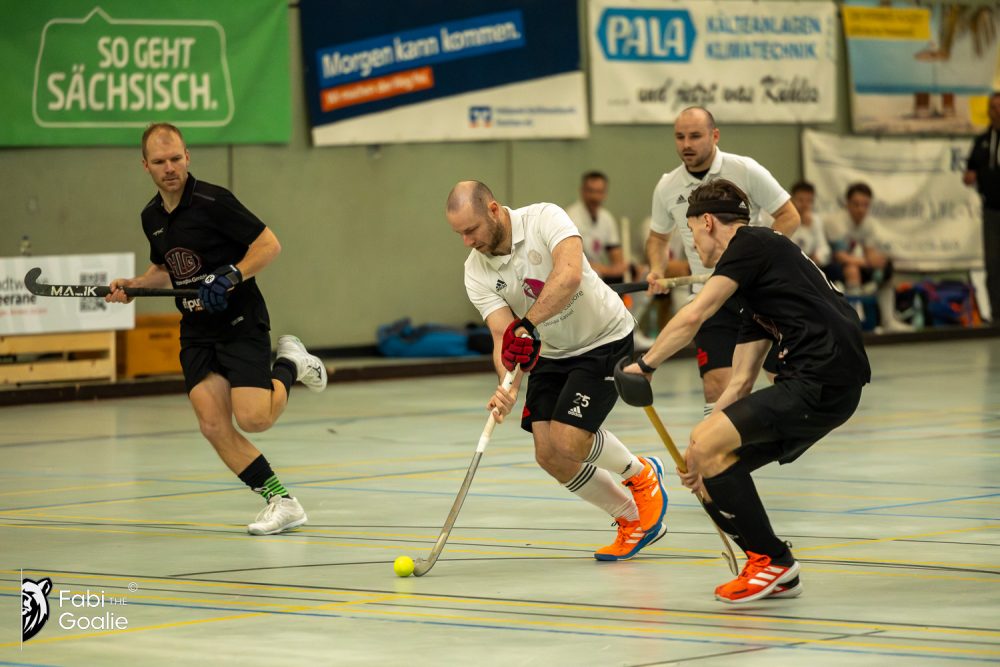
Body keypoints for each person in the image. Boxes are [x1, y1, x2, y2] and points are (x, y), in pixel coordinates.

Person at [620, 179, 870, 603]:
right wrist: (699, 452)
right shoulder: (757, 279)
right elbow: (740, 382)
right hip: (826, 385)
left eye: (692, 232)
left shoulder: (751, 243)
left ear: (707, 222)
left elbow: (695, 314)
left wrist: (645, 365)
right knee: (705, 460)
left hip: (821, 377)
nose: (692, 244)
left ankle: (774, 562)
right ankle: (770, 565)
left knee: (707, 446)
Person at [106, 123, 328, 535]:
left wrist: (232, 274)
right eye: (160, 161)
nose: (170, 168)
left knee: (255, 419)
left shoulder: (214, 201)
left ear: (187, 157)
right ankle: (282, 501)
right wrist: (134, 285)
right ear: (145, 166)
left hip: (240, 321)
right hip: (196, 330)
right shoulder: (151, 217)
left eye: (176, 159)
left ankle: (291, 364)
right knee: (212, 424)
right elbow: (165, 269)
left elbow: (269, 245)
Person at [445, 180, 667, 561]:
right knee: (549, 453)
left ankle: (640, 472)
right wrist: (507, 386)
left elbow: (569, 277)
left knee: (569, 439)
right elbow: (503, 335)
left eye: (471, 230)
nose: (467, 241)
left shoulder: (546, 218)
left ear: (493, 210)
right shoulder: (475, 271)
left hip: (604, 338)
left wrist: (527, 326)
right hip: (554, 350)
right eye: (459, 234)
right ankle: (631, 518)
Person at [646, 107, 801, 417]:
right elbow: (658, 238)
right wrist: (656, 269)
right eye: (680, 137)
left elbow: (789, 216)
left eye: (695, 136)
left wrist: (755, 258)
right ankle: (724, 448)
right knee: (718, 388)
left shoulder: (746, 170)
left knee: (783, 381)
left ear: (715, 135)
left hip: (757, 293)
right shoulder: (667, 186)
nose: (686, 144)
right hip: (711, 299)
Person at [825, 182, 912, 332]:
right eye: (856, 204)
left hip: (855, 263)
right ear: (847, 203)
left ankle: (888, 321)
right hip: (831, 267)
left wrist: (879, 262)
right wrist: (868, 262)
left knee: (886, 268)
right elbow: (840, 256)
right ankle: (854, 322)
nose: (861, 209)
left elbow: (870, 253)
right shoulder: (836, 222)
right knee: (852, 269)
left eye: (865, 205)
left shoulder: (868, 224)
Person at [963, 91, 1000, 323]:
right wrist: (970, 176)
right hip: (992, 211)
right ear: (989, 111)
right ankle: (997, 316)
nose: (998, 112)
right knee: (993, 264)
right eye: (994, 107)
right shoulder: (982, 141)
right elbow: (970, 170)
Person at [564, 171, 628, 284]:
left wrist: (622, 268)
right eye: (591, 191)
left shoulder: (606, 218)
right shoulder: (570, 217)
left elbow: (616, 256)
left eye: (599, 192)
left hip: (600, 274)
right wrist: (609, 271)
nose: (595, 197)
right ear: (582, 191)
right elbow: (571, 260)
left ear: (605, 194)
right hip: (576, 274)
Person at [788, 181, 832, 269]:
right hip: (791, 263)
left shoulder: (815, 220)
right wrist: (805, 228)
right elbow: (790, 247)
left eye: (809, 201)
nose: (805, 205)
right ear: (791, 199)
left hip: (811, 264)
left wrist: (818, 257)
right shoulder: (785, 218)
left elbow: (824, 247)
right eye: (800, 200)